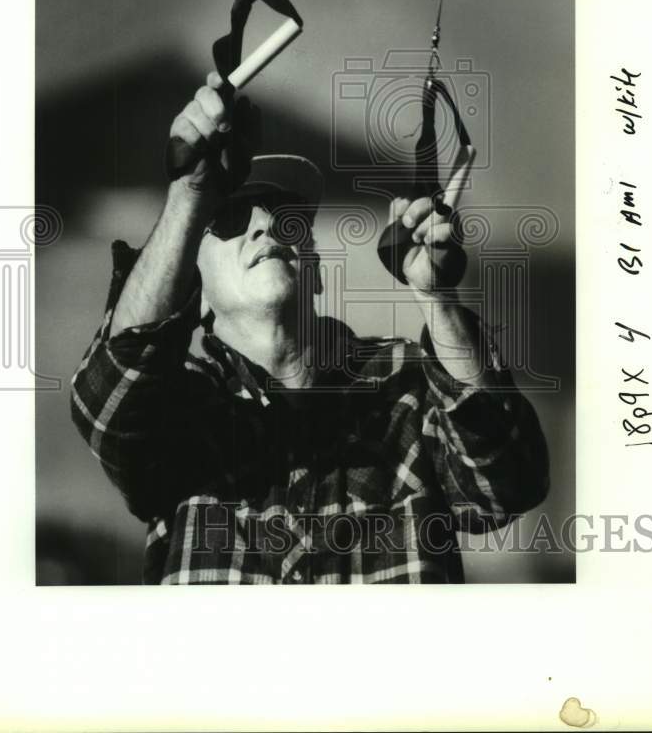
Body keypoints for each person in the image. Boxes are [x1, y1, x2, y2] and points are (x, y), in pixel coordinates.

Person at [71, 71, 549, 584]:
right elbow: (109, 398)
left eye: (288, 216)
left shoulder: (406, 384)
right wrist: (191, 191)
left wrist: (438, 296)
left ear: (316, 269)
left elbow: (506, 484)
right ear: (196, 290)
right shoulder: (177, 410)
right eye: (231, 217)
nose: (266, 225)